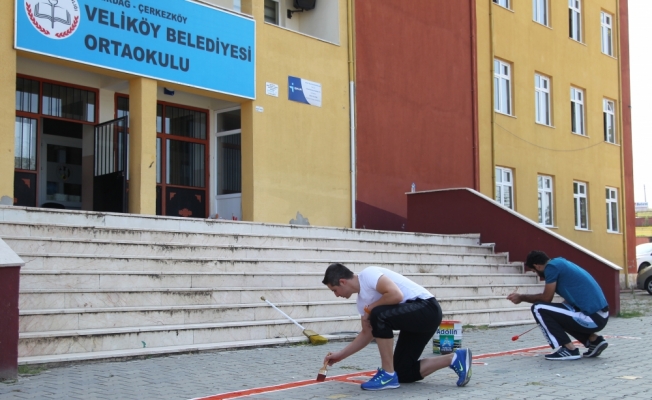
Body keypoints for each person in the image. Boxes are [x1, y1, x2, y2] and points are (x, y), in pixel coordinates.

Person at [321, 263, 472, 391]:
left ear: (342, 281)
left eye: (334, 290)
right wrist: (340, 355)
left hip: (427, 309)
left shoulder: (368, 275)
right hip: (414, 321)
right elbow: (367, 334)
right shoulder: (361, 302)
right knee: (403, 373)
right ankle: (455, 358)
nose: (336, 295)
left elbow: (396, 295)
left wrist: (370, 309)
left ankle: (387, 374)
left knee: (378, 315)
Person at [507, 250, 610, 361]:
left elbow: (546, 298)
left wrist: (521, 297)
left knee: (538, 308)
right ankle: (594, 340)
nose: (537, 275)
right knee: (558, 314)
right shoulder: (559, 263)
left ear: (537, 266)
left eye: (534, 271)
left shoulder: (551, 268)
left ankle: (569, 349)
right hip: (600, 316)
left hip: (593, 318)